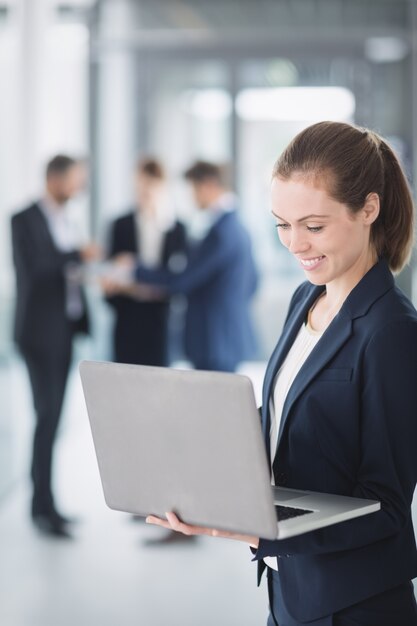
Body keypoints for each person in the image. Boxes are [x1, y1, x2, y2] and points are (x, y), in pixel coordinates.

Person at [145, 122, 417, 625]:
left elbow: (387, 507)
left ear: (369, 209)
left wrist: (257, 530)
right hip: (290, 590)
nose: (295, 244)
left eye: (313, 226)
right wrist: (190, 443)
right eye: (281, 224)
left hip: (354, 606)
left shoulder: (392, 332)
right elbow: (293, 416)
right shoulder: (306, 299)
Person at [11, 155, 99, 538]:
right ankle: (41, 506)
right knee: (46, 417)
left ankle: (47, 503)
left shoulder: (66, 219)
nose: (78, 189)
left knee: (53, 419)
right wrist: (78, 255)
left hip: (64, 331)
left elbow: (67, 274)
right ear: (54, 179)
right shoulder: (23, 219)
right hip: (37, 334)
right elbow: (36, 270)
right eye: (74, 181)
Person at [129, 160, 258, 373]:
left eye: (193, 189)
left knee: (211, 403)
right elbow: (254, 282)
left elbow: (182, 281)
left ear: (207, 185)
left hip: (214, 340)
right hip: (225, 337)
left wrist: (134, 269)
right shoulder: (237, 226)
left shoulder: (219, 233)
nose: (192, 197)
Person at [102, 157, 187, 366]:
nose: (145, 192)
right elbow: (109, 272)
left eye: (151, 186)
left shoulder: (177, 229)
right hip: (127, 318)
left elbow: (178, 278)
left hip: (161, 320)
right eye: (141, 185)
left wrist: (137, 275)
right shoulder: (119, 225)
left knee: (160, 384)